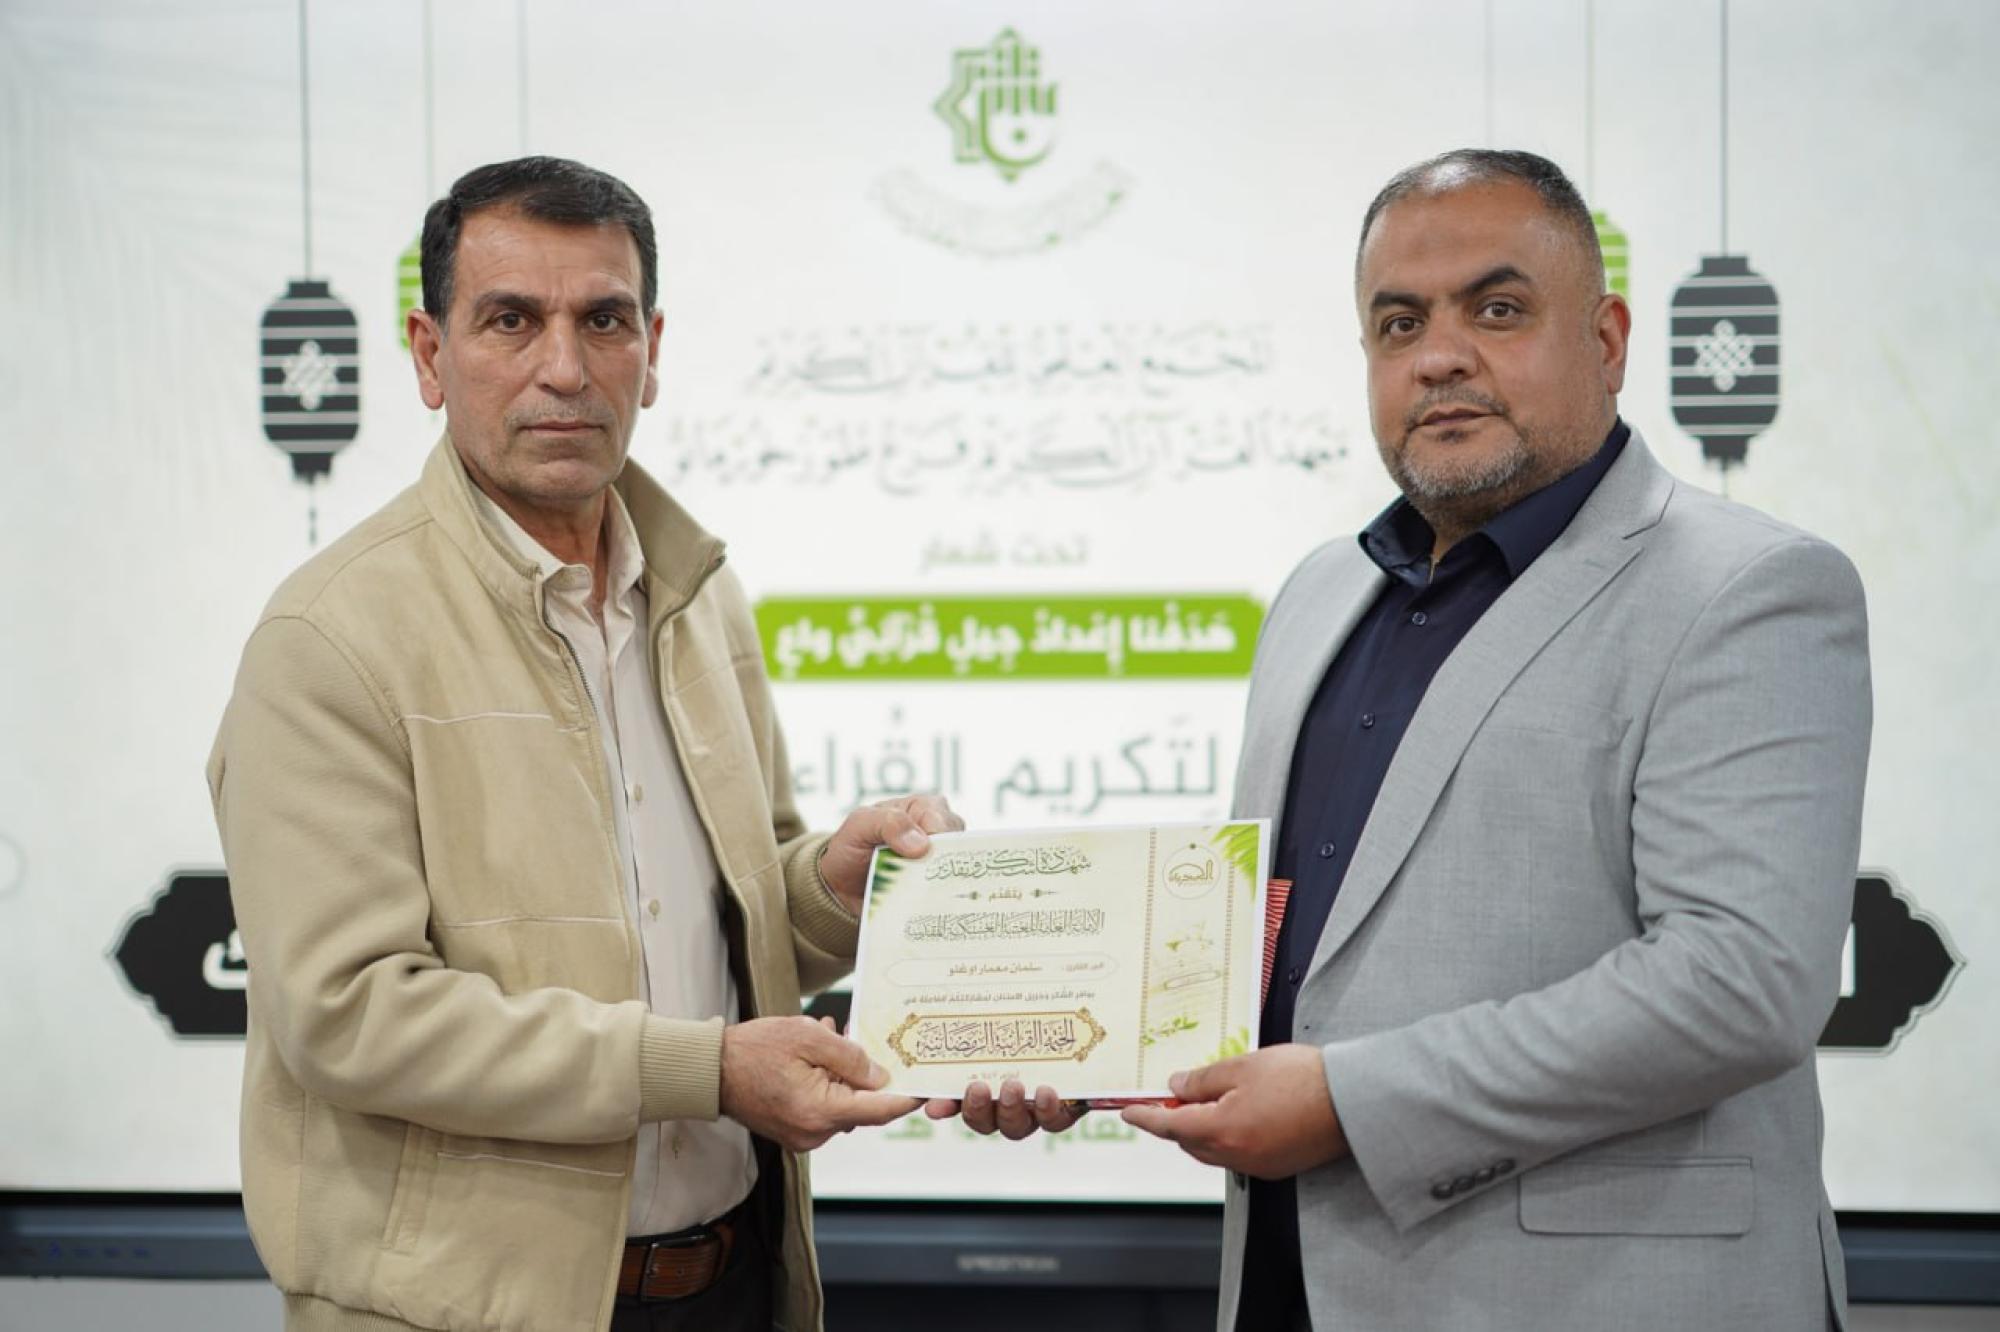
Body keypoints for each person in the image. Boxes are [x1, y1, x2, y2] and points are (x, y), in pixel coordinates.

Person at [1120, 150, 1871, 1330]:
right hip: (1288, 1284)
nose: (1439, 356)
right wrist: (1084, 1054)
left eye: (1497, 309)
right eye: (1398, 323)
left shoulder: (1749, 588)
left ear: (1606, 342)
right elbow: (1268, 949)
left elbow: (1738, 984)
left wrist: (1350, 1102)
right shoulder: (1317, 595)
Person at [208, 156, 946, 1332]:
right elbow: (350, 1013)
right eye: (511, 320)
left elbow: (725, 928)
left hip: (734, 1283)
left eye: (603, 320)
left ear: (650, 350)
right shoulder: (329, 637)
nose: (564, 367)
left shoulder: (697, 594)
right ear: (429, 355)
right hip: (467, 1313)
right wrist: (706, 1070)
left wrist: (838, 890)